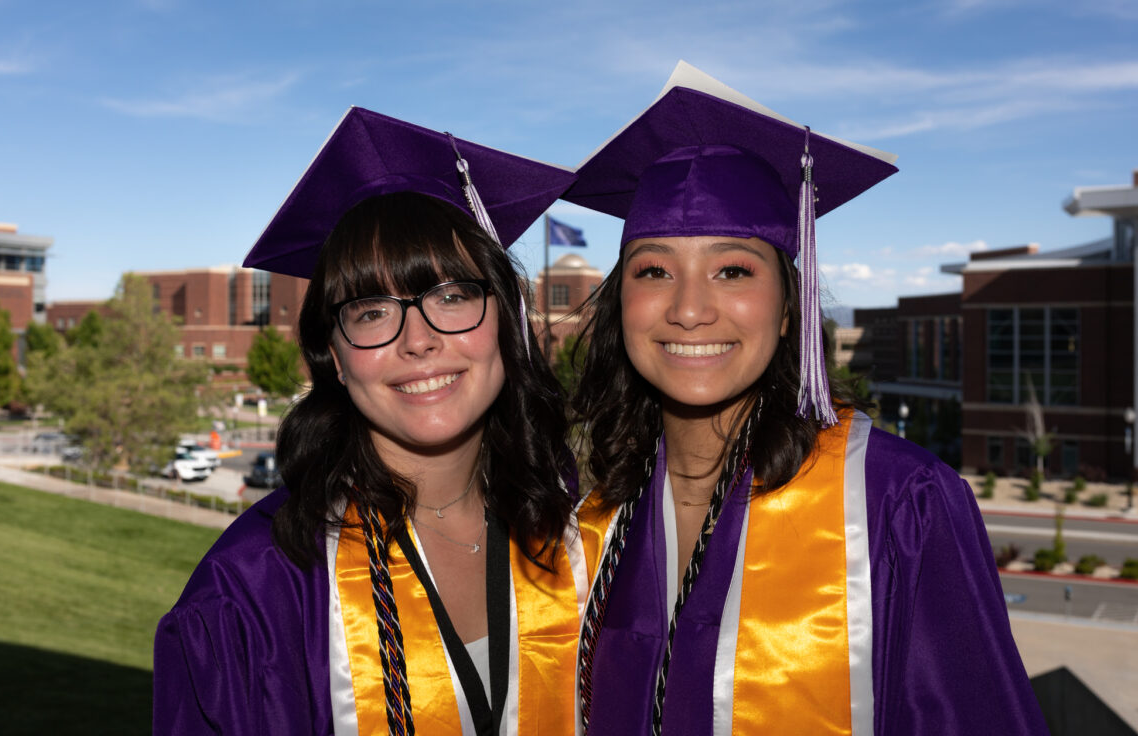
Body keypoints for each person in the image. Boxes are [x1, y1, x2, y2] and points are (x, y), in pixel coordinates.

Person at [566, 63, 1049, 736]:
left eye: (733, 269)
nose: (689, 308)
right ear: (622, 305)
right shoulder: (597, 520)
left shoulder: (897, 502)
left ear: (789, 307)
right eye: (654, 270)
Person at [154, 107, 587, 736]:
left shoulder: (576, 525)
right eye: (371, 311)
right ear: (333, 353)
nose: (419, 340)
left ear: (506, 319)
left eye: (452, 296)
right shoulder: (253, 591)